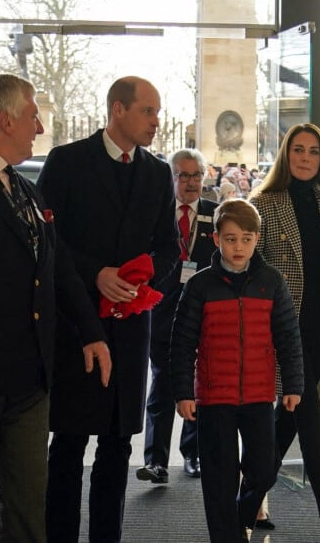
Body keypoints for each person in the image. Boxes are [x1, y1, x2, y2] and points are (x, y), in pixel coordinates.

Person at [0, 74, 111, 542]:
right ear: (5, 118)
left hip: (30, 376)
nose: (39, 127)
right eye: (34, 115)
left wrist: (92, 331)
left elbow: (58, 271)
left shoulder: (27, 190)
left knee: (27, 504)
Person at [37, 76, 179, 542]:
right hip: (78, 325)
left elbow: (169, 249)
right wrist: (96, 272)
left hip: (132, 327)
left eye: (158, 113)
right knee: (69, 444)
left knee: (118, 445)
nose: (156, 122)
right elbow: (45, 242)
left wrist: (141, 281)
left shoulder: (159, 173)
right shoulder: (66, 161)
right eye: (148, 112)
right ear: (118, 109)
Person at [250, 123, 320, 543]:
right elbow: (250, 271)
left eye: (313, 152)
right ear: (285, 155)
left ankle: (251, 494)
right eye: (297, 150)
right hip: (281, 329)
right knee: (309, 419)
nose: (305, 158)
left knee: (290, 416)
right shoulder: (262, 204)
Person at [170, 198, 304, 543]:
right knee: (219, 477)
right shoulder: (200, 285)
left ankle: (242, 517)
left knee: (263, 470)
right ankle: (226, 535)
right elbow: (182, 342)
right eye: (230, 239)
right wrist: (183, 392)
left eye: (246, 238)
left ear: (257, 239)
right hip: (214, 397)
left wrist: (293, 385)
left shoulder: (271, 282)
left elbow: (289, 336)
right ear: (216, 239)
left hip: (259, 395)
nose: (239, 246)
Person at [136, 148, 218, 484]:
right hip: (161, 312)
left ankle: (193, 454)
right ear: (171, 178)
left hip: (203, 316)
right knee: (163, 385)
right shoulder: (155, 215)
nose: (191, 182)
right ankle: (156, 461)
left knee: (197, 385)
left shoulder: (216, 214)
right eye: (183, 175)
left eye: (197, 175)